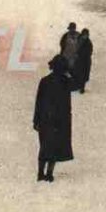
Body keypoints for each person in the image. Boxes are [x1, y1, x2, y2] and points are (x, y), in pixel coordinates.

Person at [33, 55, 74, 183]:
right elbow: (76, 83)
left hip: (46, 119)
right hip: (60, 120)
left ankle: (41, 173)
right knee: (55, 147)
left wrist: (36, 120)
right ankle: (49, 174)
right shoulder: (65, 81)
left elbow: (38, 102)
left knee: (45, 146)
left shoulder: (45, 81)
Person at [73, 29, 93, 93]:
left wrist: (80, 54)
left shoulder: (88, 43)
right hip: (77, 61)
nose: (85, 36)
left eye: (86, 35)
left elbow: (89, 52)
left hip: (85, 61)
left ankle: (82, 87)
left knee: (84, 75)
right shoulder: (77, 40)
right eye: (84, 35)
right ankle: (77, 86)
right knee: (77, 73)